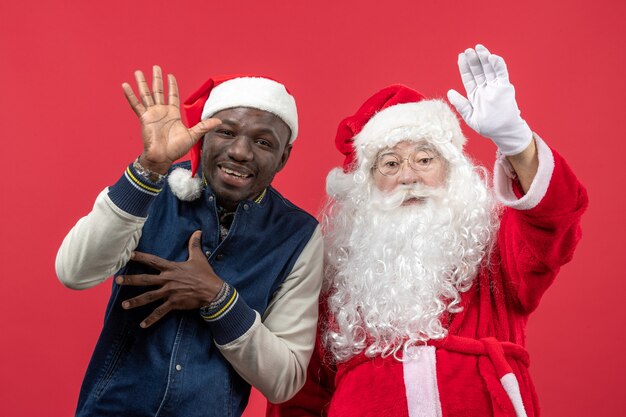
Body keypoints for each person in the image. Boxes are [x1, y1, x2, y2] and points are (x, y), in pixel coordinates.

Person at [268, 45, 588, 417]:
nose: (409, 177)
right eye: (390, 164)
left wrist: (517, 143)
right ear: (366, 185)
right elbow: (298, 399)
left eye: (424, 159)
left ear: (451, 171)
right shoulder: (338, 282)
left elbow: (554, 217)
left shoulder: (495, 255)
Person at [56, 68, 323, 417]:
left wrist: (219, 299)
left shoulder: (298, 235)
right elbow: (74, 272)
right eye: (225, 132)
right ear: (201, 138)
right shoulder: (151, 185)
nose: (240, 152)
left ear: (284, 157)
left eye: (263, 142)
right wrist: (149, 168)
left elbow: (284, 380)